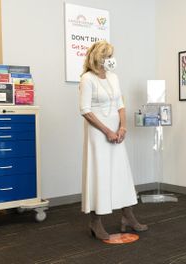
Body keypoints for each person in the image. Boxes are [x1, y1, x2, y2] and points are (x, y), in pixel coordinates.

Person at [79, 40, 148, 240]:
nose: (111, 60)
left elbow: (120, 103)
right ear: (97, 58)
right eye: (107, 56)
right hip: (98, 133)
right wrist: (107, 131)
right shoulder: (87, 79)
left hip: (117, 133)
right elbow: (85, 110)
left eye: (111, 56)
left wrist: (123, 127)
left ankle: (128, 217)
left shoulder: (114, 77)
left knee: (121, 173)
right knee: (99, 174)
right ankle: (95, 222)